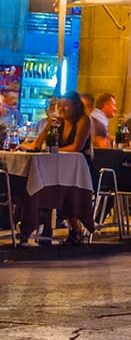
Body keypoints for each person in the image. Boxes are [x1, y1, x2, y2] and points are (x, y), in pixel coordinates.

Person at [25, 91, 92, 243]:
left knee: (60, 186)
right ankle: (45, 226)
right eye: (59, 105)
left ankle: (75, 228)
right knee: (43, 181)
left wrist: (52, 150)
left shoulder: (83, 121)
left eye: (66, 105)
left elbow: (76, 147)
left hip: (80, 170)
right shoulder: (58, 123)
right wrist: (48, 125)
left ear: (76, 106)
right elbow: (38, 145)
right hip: (58, 167)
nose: (62, 109)